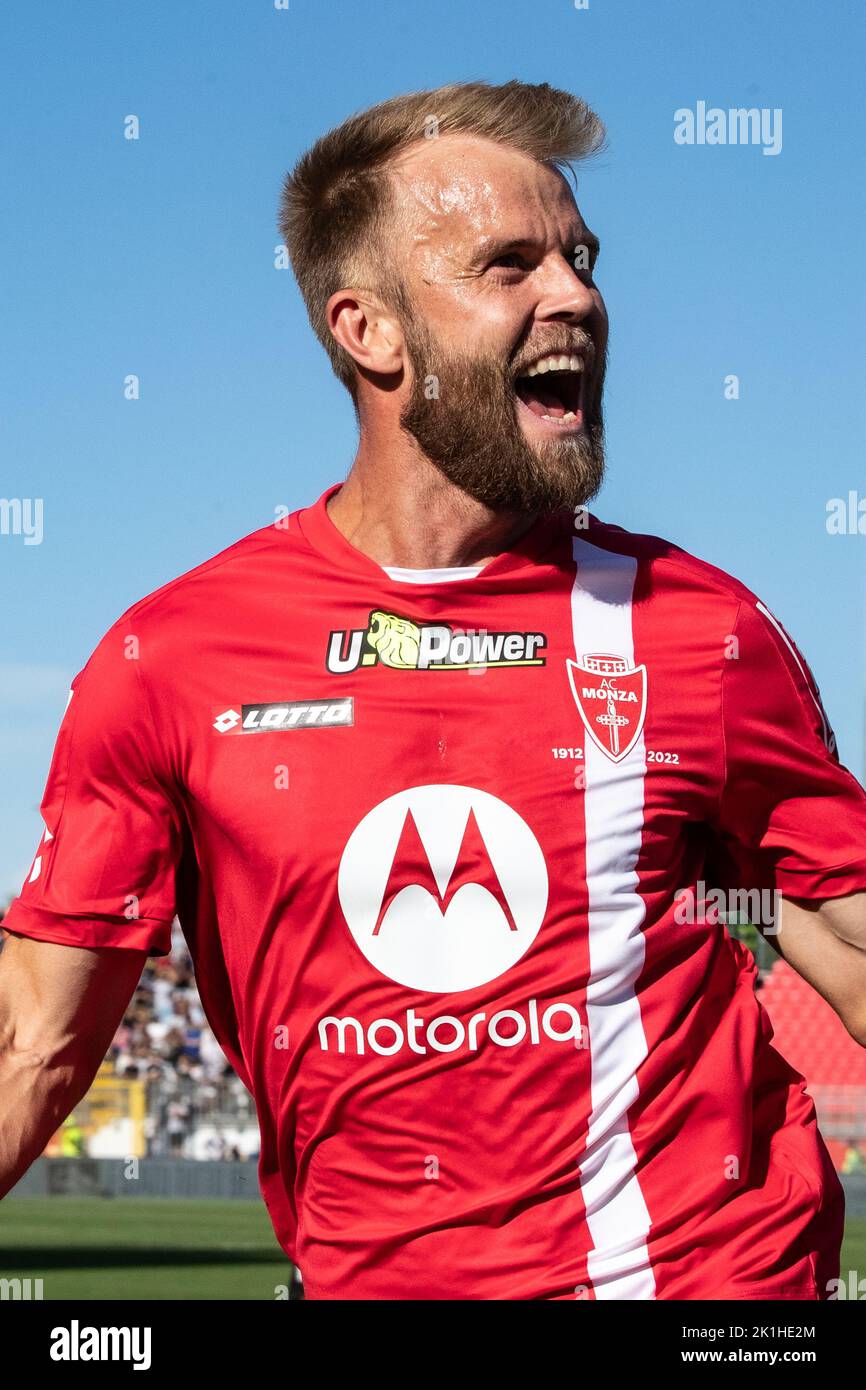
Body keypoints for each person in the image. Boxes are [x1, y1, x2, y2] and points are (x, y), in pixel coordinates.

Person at [2, 79, 866, 1301]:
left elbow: (840, 927)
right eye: (507, 264)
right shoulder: (173, 660)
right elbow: (31, 1037)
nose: (573, 294)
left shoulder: (699, 629)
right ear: (369, 330)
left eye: (579, 256)